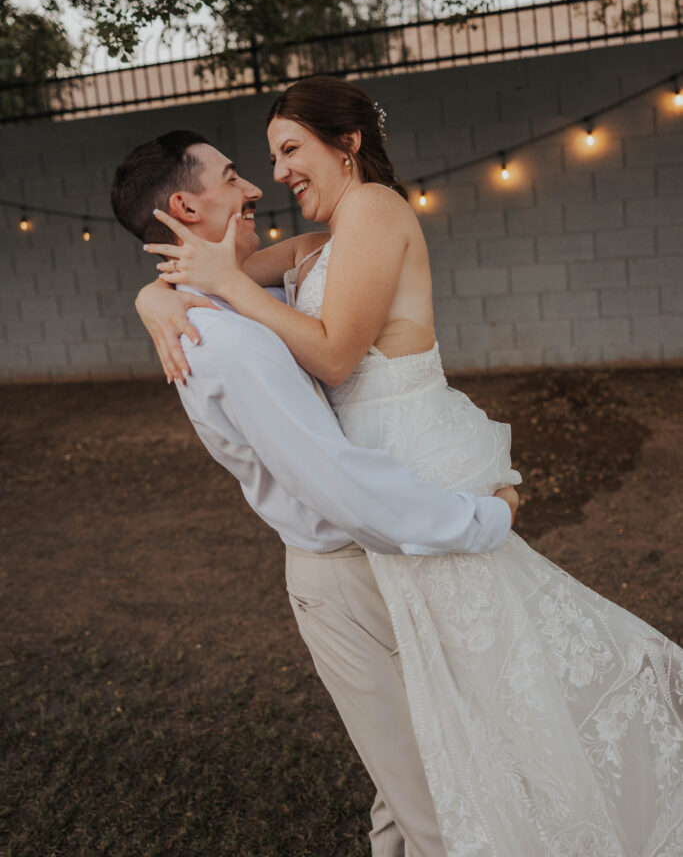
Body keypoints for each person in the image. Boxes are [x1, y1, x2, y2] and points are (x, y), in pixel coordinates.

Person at [139, 77, 683, 856]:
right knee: (443, 711)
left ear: (347, 144)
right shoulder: (323, 242)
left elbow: (330, 353)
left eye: (291, 149)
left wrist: (223, 283)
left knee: (498, 696)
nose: (280, 172)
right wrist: (153, 301)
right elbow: (198, 279)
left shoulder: (376, 210)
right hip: (380, 490)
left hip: (411, 475)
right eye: (268, 157)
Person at [111, 129, 519, 857]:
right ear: (185, 203)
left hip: (377, 562)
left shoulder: (240, 302)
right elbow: (341, 486)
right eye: (233, 176)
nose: (255, 188)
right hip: (341, 575)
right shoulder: (226, 342)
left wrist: (155, 291)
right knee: (434, 803)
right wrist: (484, 518)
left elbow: (301, 269)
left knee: (418, 767)